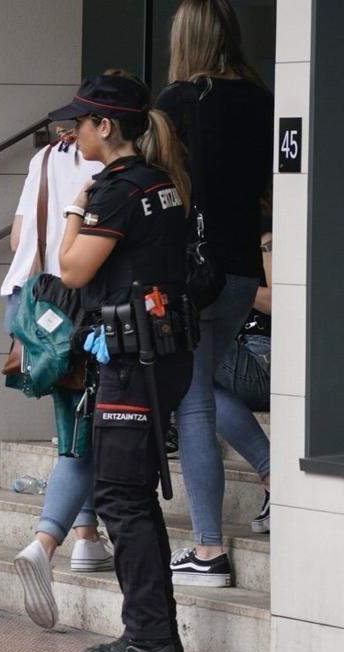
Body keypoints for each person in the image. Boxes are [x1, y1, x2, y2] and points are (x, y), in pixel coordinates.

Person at [50, 72, 194, 652]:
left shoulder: (115, 190)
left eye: (79, 123)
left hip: (133, 360)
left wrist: (75, 207)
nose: (71, 132)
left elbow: (71, 269)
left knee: (119, 498)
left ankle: (150, 640)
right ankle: (154, 634)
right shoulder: (163, 182)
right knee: (131, 497)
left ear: (105, 126)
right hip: (161, 353)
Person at [155, 0, 274, 587]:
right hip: (244, 269)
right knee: (203, 383)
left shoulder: (176, 103)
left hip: (193, 275)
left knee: (193, 400)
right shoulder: (262, 100)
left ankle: (207, 550)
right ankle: (278, 472)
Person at [5, 136, 110, 631]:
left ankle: (86, 535)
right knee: (82, 440)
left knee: (75, 427)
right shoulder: (113, 174)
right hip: (79, 315)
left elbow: (16, 237)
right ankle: (46, 542)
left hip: (35, 310)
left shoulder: (45, 158)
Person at [213, 228, 273, 533]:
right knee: (197, 387)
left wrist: (228, 287)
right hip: (241, 353)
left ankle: (274, 475)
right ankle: (273, 476)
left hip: (264, 358)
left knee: (188, 343)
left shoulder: (268, 239)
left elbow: (277, 299)